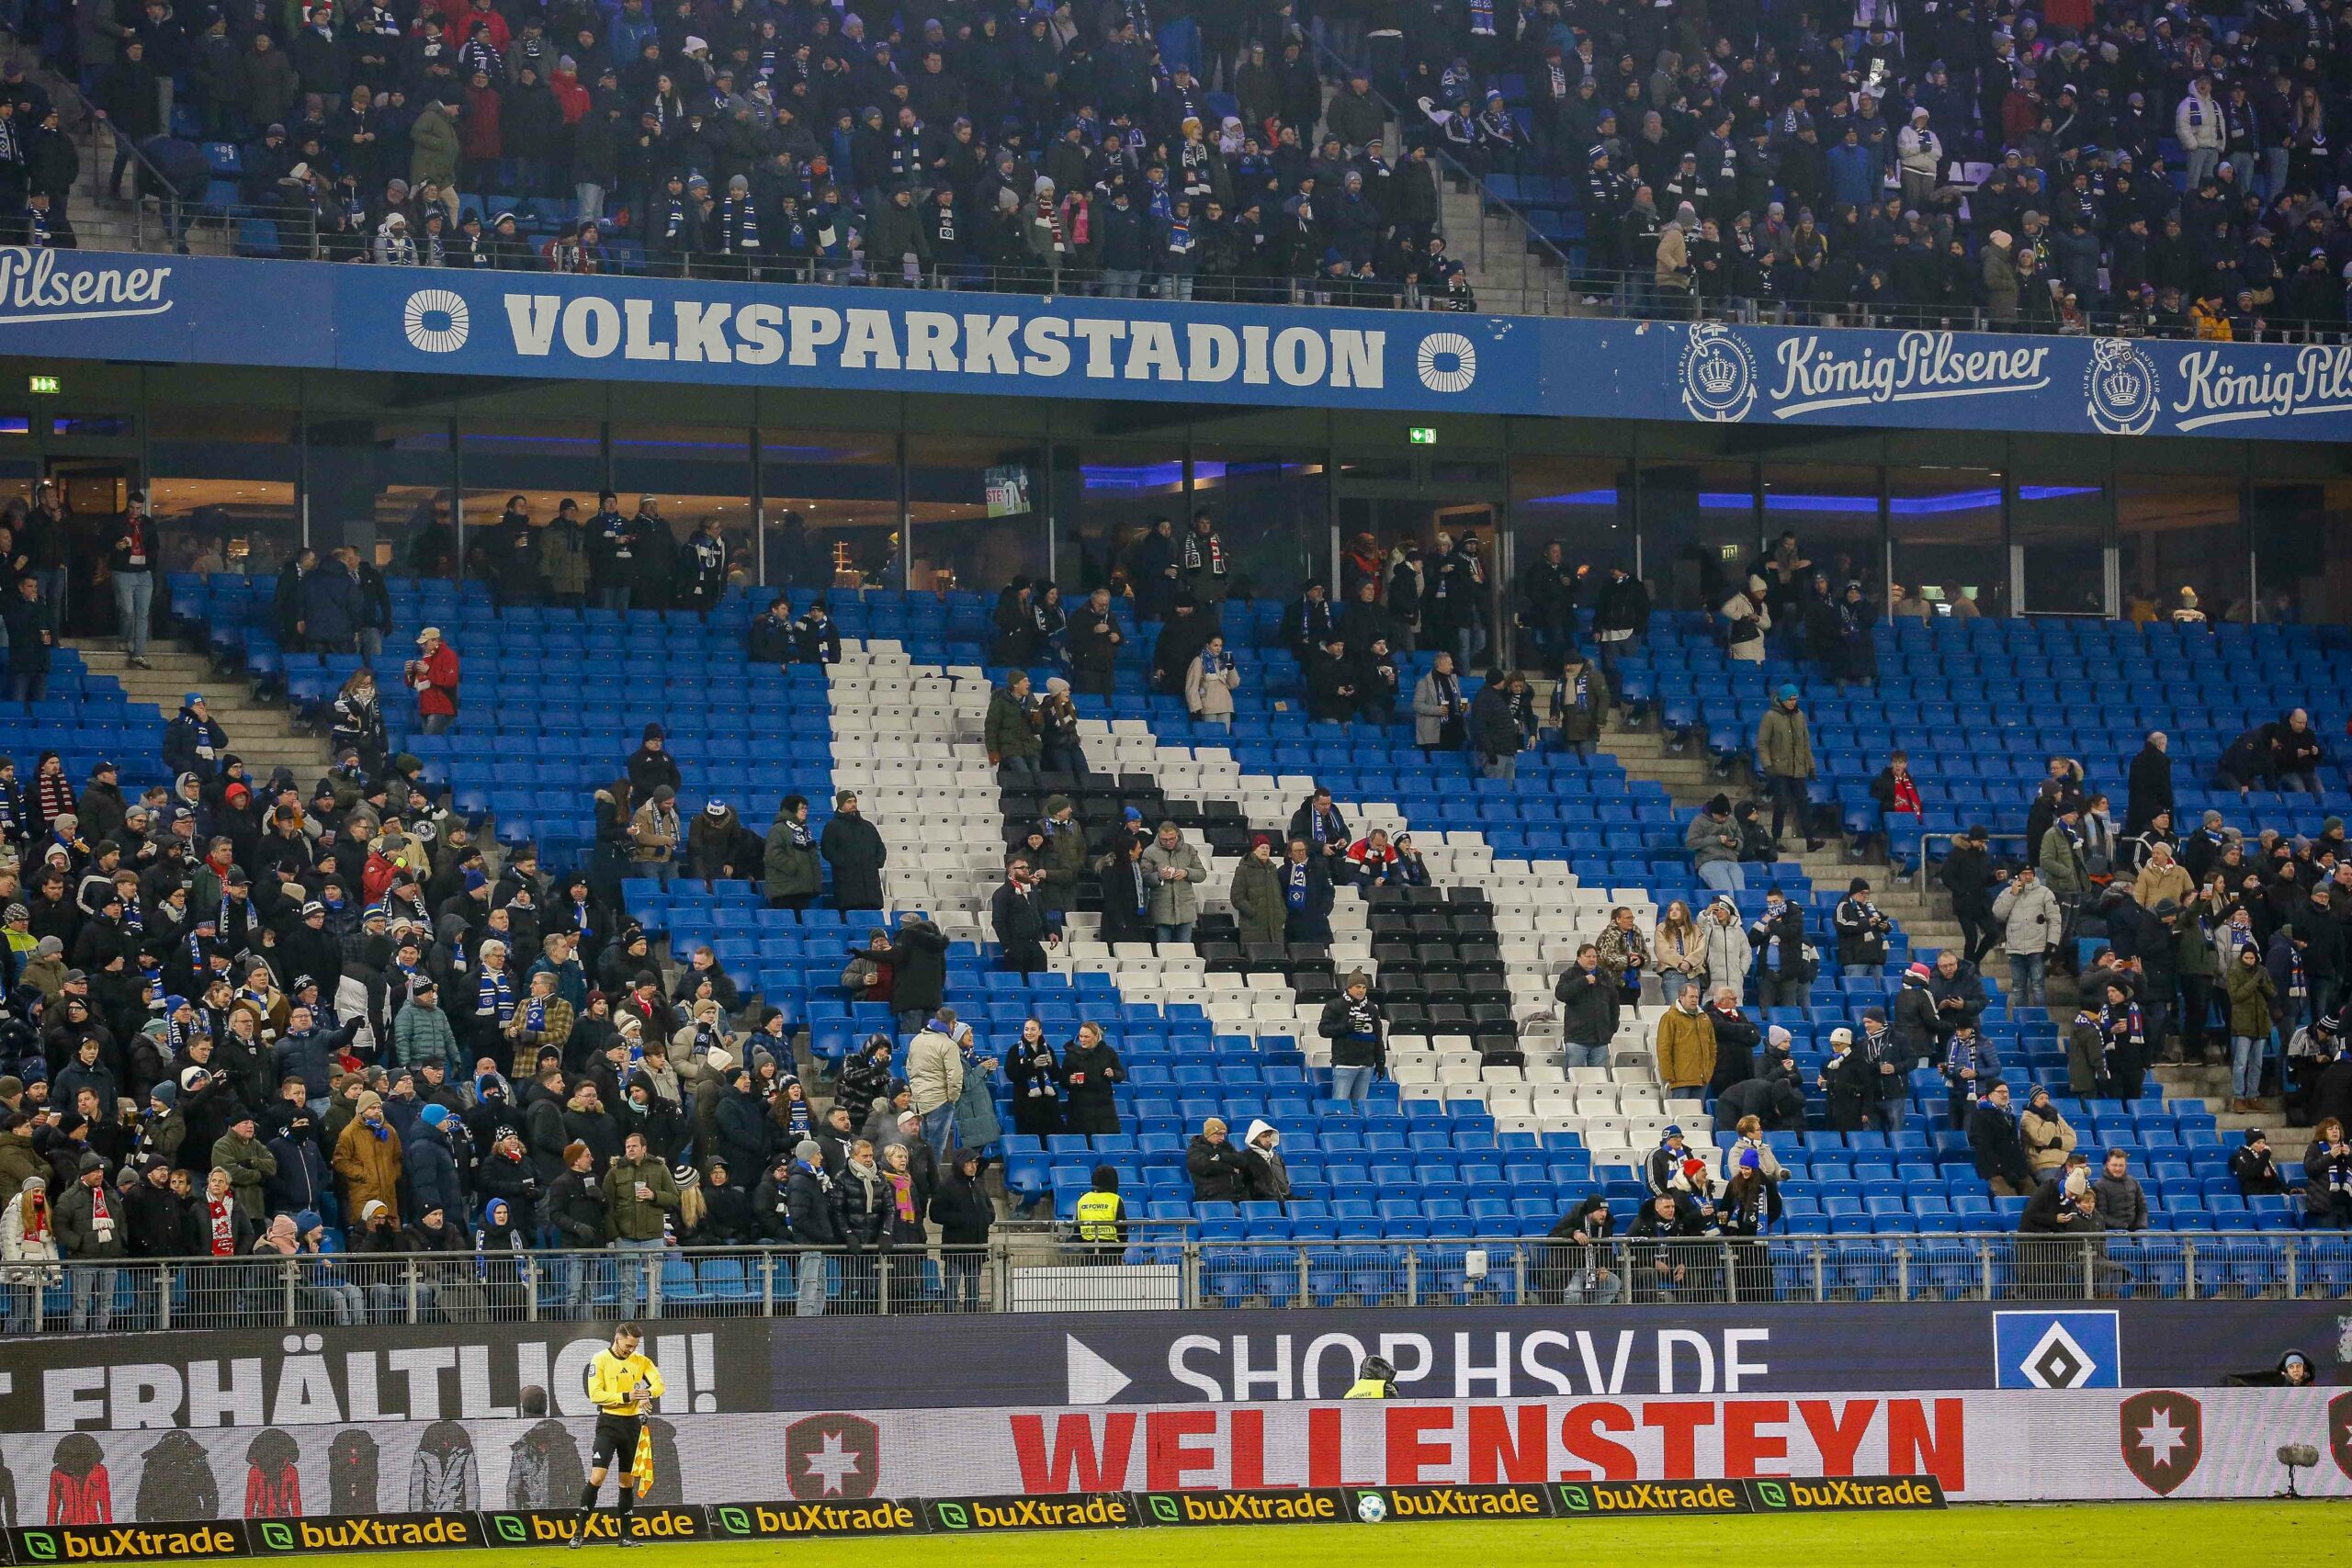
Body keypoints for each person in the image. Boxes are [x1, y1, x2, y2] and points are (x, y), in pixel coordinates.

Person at [568, 1321, 662, 1546]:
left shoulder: (641, 1361)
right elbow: (596, 1395)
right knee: (597, 1477)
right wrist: (628, 1396)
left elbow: (659, 1385)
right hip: (609, 1423)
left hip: (632, 1425)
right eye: (629, 1345)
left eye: (635, 1346)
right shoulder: (600, 1360)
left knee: (626, 1481)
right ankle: (579, 1534)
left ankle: (626, 1537)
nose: (632, 1350)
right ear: (617, 1338)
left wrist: (647, 1393)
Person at [1755, 686, 1817, 849]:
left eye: (1795, 698)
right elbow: (1762, 743)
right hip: (1779, 770)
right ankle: (1775, 839)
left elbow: (1805, 743)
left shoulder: (1800, 716)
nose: (1792, 702)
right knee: (1781, 804)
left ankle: (1810, 840)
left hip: (1798, 769)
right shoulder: (1770, 717)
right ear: (1781, 699)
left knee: (1803, 804)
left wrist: (1811, 766)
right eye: (1789, 699)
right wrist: (1767, 765)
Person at [1993, 863, 2061, 1007]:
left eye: (2030, 873)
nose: (2028, 876)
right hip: (2015, 948)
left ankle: (2040, 1020)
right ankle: (2022, 1018)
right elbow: (1998, 914)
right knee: (2018, 986)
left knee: (2038, 985)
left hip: (2037, 947)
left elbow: (2055, 919)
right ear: (2018, 876)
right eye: (2025, 873)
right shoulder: (2007, 892)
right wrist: (2012, 894)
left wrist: (2051, 943)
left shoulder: (2045, 893)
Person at [1319, 970, 1385, 1108]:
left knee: (1359, 1107)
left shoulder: (1371, 1008)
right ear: (1349, 987)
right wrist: (1347, 1026)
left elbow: (1378, 1036)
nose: (1361, 990)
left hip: (1366, 1065)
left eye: (1364, 987)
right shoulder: (1335, 1005)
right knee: (1340, 1106)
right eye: (1358, 987)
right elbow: (1323, 1030)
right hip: (1345, 1063)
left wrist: (1380, 1061)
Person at [2225, 942, 2278, 1111]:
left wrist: (2262, 982)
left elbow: (2273, 992)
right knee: (2240, 1063)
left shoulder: (2262, 971)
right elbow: (2236, 996)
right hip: (2242, 1024)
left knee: (2257, 1063)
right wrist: (2255, 980)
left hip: (2260, 1023)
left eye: (2252, 958)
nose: (2249, 961)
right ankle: (2238, 1097)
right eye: (2247, 957)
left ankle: (2253, 1095)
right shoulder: (2234, 971)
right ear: (2242, 957)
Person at [1139, 821, 1205, 945]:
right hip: (1161, 909)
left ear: (1177, 835)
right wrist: (1159, 876)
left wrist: (1186, 873)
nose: (1168, 842)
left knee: (1185, 950)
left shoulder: (1188, 850)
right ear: (1159, 836)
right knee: (1163, 948)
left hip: (1185, 908)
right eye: (1164, 840)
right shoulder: (1150, 852)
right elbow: (1144, 879)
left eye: (1171, 839)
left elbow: (1201, 874)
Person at [1555, 943, 1616, 1070]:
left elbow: (1614, 1003)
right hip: (1577, 1039)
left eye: (1594, 956)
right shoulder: (1569, 975)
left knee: (1598, 1081)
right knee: (1574, 1077)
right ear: (1579, 958)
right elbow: (1561, 994)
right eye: (1588, 956)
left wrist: (1612, 1028)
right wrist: (1583, 981)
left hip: (1600, 1040)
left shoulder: (1604, 975)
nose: (1592, 959)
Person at [405, 626, 461, 735]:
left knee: (431, 744)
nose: (422, 646)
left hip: (441, 708)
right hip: (426, 707)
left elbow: (450, 681)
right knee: (428, 744)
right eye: (422, 643)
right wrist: (409, 674)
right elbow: (417, 683)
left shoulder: (448, 655)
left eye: (425, 643)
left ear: (436, 641)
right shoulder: (427, 656)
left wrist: (428, 671)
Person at [1688, 795, 1745, 892]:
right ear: (1713, 812)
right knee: (1727, 893)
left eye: (1726, 816)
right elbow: (1691, 843)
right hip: (1709, 862)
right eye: (1721, 816)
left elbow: (1741, 840)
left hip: (1732, 861)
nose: (1723, 819)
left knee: (1741, 894)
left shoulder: (1731, 820)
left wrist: (1735, 844)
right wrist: (1716, 840)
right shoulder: (1699, 821)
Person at [1072, 1163, 1126, 1262]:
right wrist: (1122, 1247)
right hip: (1111, 1252)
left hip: (1088, 1250)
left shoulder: (1083, 1199)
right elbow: (1122, 1226)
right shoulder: (1115, 1199)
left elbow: (1078, 1227)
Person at [2093, 1148, 2150, 1232]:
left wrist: (2140, 1227)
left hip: (2135, 1232)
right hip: (2111, 1232)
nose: (2117, 1169)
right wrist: (2124, 1227)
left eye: (2121, 1165)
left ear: (2126, 1165)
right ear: (2108, 1164)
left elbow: (2143, 1209)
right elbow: (2101, 1215)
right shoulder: (2099, 1186)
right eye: (2114, 1165)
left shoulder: (2133, 1182)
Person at [2228, 1128, 2288, 1199]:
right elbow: (2253, 1172)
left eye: (2263, 1142)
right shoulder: (2243, 1156)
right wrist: (2265, 1155)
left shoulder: (2263, 1157)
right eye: (2258, 1143)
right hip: (2257, 1197)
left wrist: (2288, 1190)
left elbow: (2274, 1180)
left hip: (2273, 1194)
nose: (2262, 1145)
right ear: (2251, 1144)